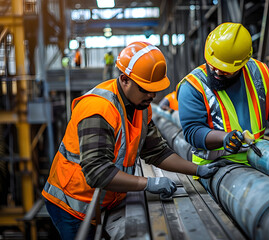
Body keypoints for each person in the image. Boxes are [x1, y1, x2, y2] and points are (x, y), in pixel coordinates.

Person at [42, 41, 224, 239]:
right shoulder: (98, 110)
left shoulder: (140, 107)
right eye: (145, 89)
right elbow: (97, 172)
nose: (151, 95)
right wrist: (148, 183)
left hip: (103, 200)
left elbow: (158, 152)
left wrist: (197, 170)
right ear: (124, 80)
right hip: (72, 205)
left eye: (154, 89)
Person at [177, 23, 269, 183]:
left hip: (258, 158)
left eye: (225, 70)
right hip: (214, 168)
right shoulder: (193, 86)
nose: (217, 72)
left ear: (242, 63)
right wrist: (224, 138)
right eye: (213, 65)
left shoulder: (260, 74)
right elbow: (192, 131)